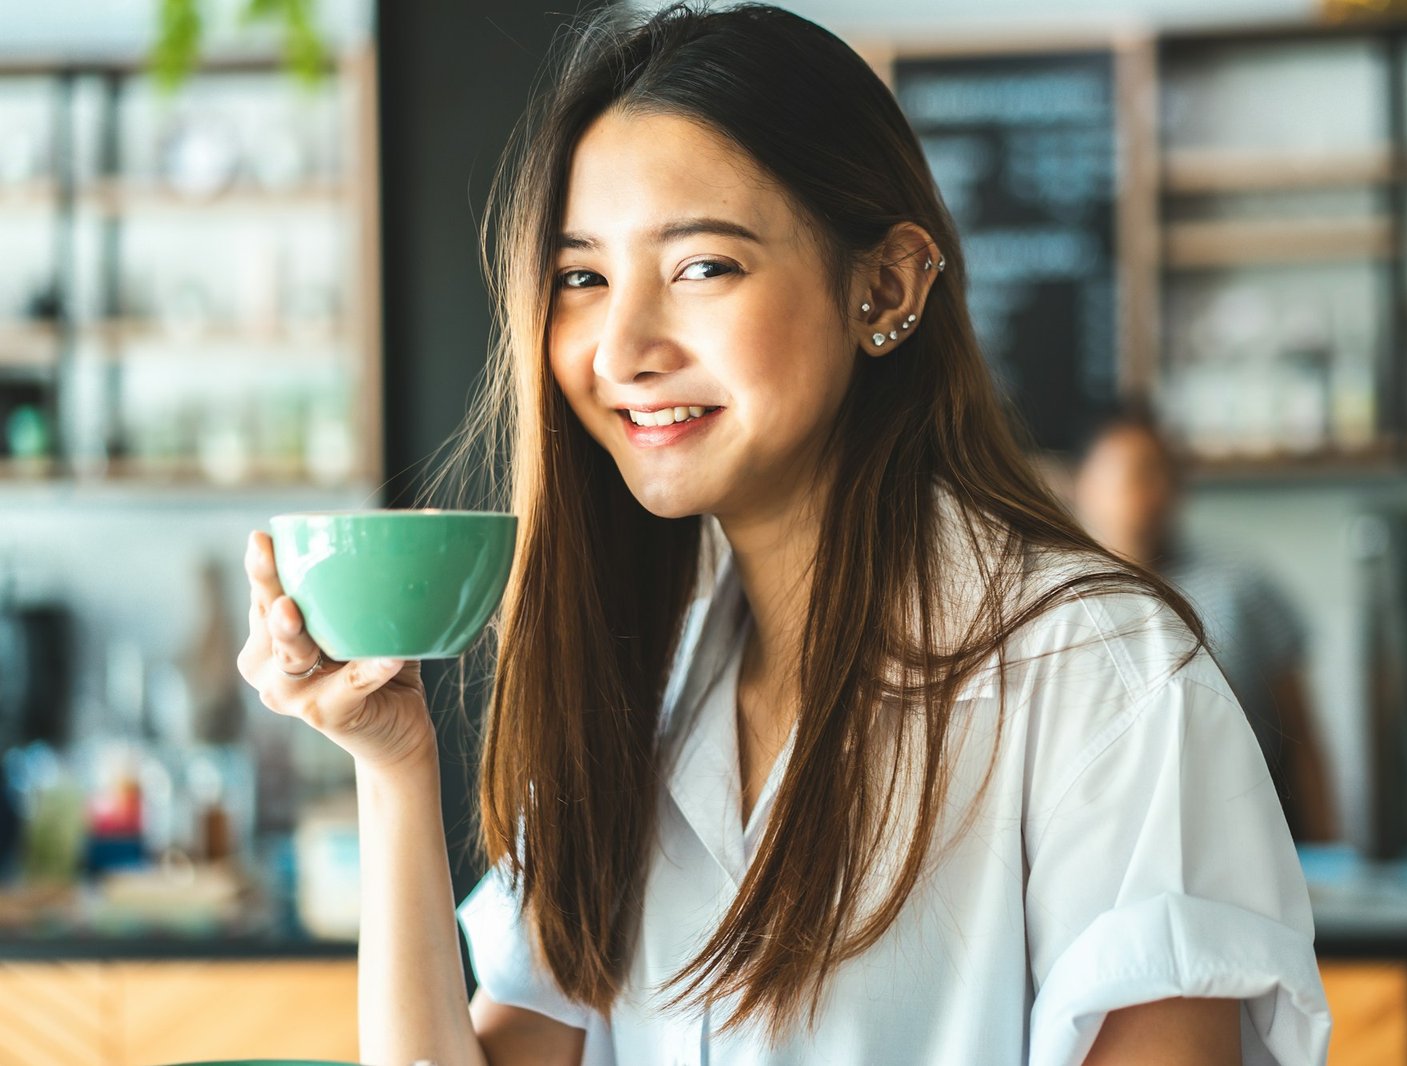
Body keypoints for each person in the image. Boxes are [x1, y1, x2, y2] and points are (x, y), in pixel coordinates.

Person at [236, 5, 1330, 1064]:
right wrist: (391, 764)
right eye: (582, 277)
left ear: (885, 285)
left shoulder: (1102, 677)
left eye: (702, 265)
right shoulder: (633, 681)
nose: (622, 346)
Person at [1063, 401, 1339, 843]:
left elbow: (1301, 737)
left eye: (1164, 476)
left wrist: (1327, 848)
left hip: (1238, 836)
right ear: (1082, 485)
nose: (1153, 494)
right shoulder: (1059, 605)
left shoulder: (1241, 588)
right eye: (1135, 476)